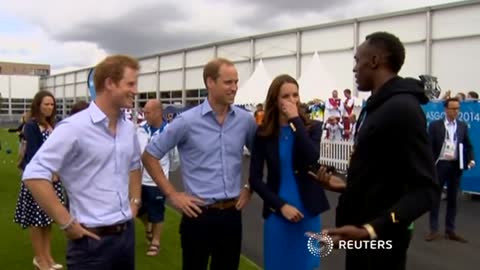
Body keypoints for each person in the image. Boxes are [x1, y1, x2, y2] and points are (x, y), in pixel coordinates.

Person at [312, 32, 439, 270]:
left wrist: (371, 229)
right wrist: (348, 186)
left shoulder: (403, 109)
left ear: (374, 61)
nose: (354, 69)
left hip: (382, 240)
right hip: (361, 236)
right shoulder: (375, 106)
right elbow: (387, 175)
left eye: (356, 60)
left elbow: (426, 190)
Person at [22, 55, 142, 270]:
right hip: (90, 242)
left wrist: (135, 201)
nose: (136, 90)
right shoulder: (74, 127)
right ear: (109, 83)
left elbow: (134, 165)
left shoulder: (127, 128)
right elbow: (34, 174)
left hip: (126, 236)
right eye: (130, 83)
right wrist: (66, 222)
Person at [142, 57, 257, 270]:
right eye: (228, 82)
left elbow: (260, 156)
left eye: (236, 82)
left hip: (232, 215)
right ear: (210, 83)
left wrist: (250, 187)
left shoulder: (245, 121)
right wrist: (172, 194)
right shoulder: (186, 121)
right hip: (198, 215)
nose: (234, 88)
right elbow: (149, 155)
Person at [249, 74, 329, 270]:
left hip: (308, 214)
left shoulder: (312, 128)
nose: (292, 100)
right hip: (278, 214)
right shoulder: (263, 134)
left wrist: (295, 120)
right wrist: (280, 206)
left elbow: (312, 157)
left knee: (307, 265)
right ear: (275, 101)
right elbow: (255, 179)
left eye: (295, 95)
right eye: (285, 96)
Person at [13, 91, 65, 270]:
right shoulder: (32, 126)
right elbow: (34, 153)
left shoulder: (53, 125)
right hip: (38, 180)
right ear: (38, 105)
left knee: (47, 220)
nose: (49, 108)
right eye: (46, 104)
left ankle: (48, 257)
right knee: (36, 221)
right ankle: (39, 259)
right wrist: (50, 173)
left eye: (52, 104)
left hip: (53, 179)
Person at [426, 97, 475, 243]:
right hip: (440, 164)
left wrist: (471, 159)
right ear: (446, 109)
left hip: (455, 165)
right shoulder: (435, 126)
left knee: (453, 199)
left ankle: (450, 230)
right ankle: (433, 230)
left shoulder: (462, 126)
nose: (456, 111)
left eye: (458, 108)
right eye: (453, 108)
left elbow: (468, 145)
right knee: (435, 198)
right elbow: (429, 146)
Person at [136, 99, 170, 256]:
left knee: (157, 212)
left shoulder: (169, 132)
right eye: (144, 112)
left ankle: (155, 242)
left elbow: (175, 158)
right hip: (138, 179)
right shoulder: (140, 130)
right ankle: (148, 227)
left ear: (158, 112)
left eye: (147, 112)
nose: (144, 115)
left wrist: (163, 172)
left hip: (157, 181)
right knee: (137, 209)